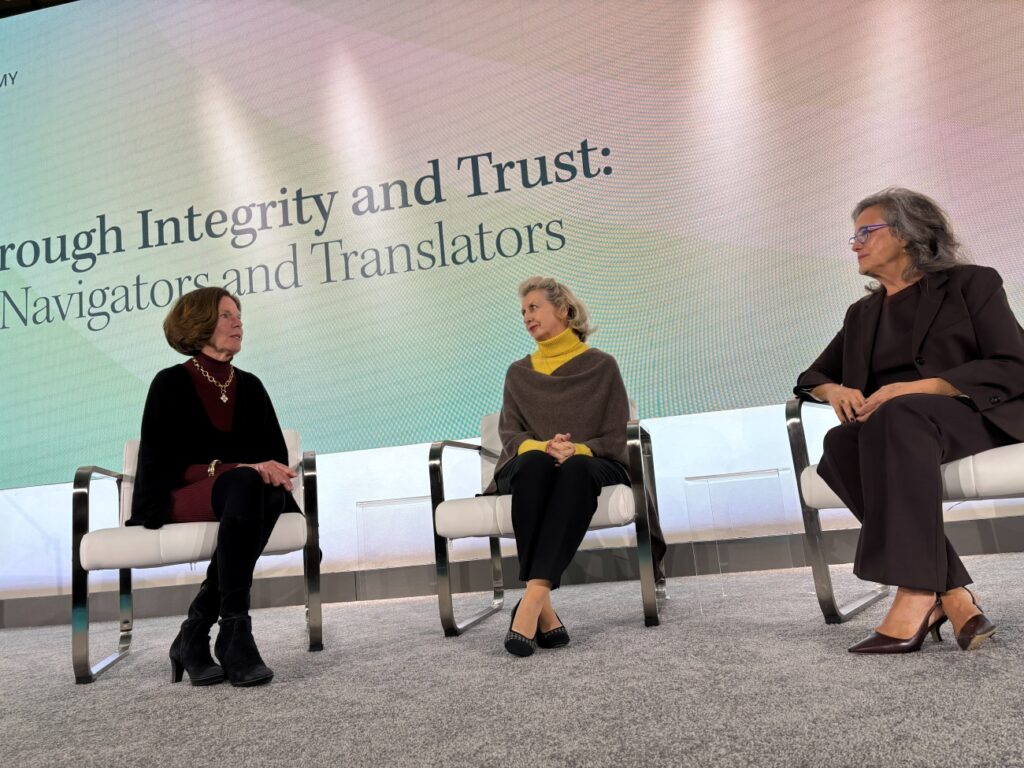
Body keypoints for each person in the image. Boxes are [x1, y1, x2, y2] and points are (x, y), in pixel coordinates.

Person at [796, 188, 1024, 653]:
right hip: (897, 427)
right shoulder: (862, 314)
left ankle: (916, 593)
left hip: (972, 414)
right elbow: (811, 376)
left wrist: (923, 387)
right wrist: (834, 390)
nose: (855, 243)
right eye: (853, 235)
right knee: (841, 443)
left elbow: (1012, 363)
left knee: (895, 415)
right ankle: (951, 593)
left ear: (907, 234)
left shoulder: (972, 284)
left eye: (867, 231)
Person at [128, 287, 298, 685]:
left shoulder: (251, 385)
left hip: (239, 495)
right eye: (226, 315)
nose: (238, 321)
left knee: (268, 489)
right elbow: (164, 464)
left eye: (238, 314)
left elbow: (273, 458)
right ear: (200, 323)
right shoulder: (170, 383)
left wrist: (259, 470)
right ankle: (233, 634)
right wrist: (237, 467)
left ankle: (198, 629)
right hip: (178, 494)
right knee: (246, 481)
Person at [489, 276, 667, 657]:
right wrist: (543, 446)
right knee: (535, 464)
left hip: (592, 463)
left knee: (572, 470)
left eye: (533, 307)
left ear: (564, 310)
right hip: (530, 463)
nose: (526, 317)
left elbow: (617, 436)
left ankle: (533, 597)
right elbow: (510, 435)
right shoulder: (517, 373)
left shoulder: (602, 366)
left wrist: (579, 450)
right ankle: (545, 611)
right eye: (522, 311)